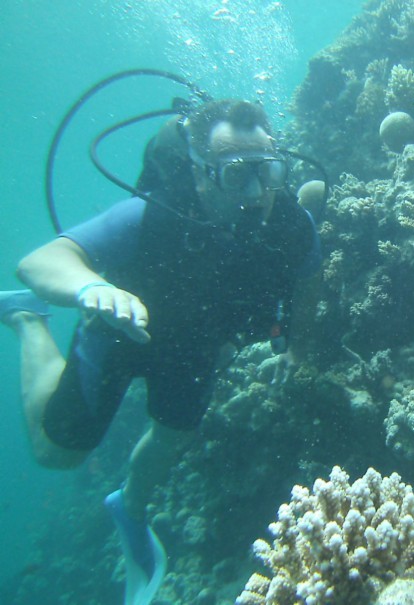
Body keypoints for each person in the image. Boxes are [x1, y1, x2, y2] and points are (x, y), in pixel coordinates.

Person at [0, 99, 321, 604]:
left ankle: (130, 507)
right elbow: (41, 261)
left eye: (268, 170)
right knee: (57, 453)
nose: (259, 191)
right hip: (119, 337)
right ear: (199, 172)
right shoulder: (151, 214)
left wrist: (295, 347)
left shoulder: (290, 224)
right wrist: (88, 289)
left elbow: (307, 281)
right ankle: (27, 320)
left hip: (194, 348)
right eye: (238, 175)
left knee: (174, 436)